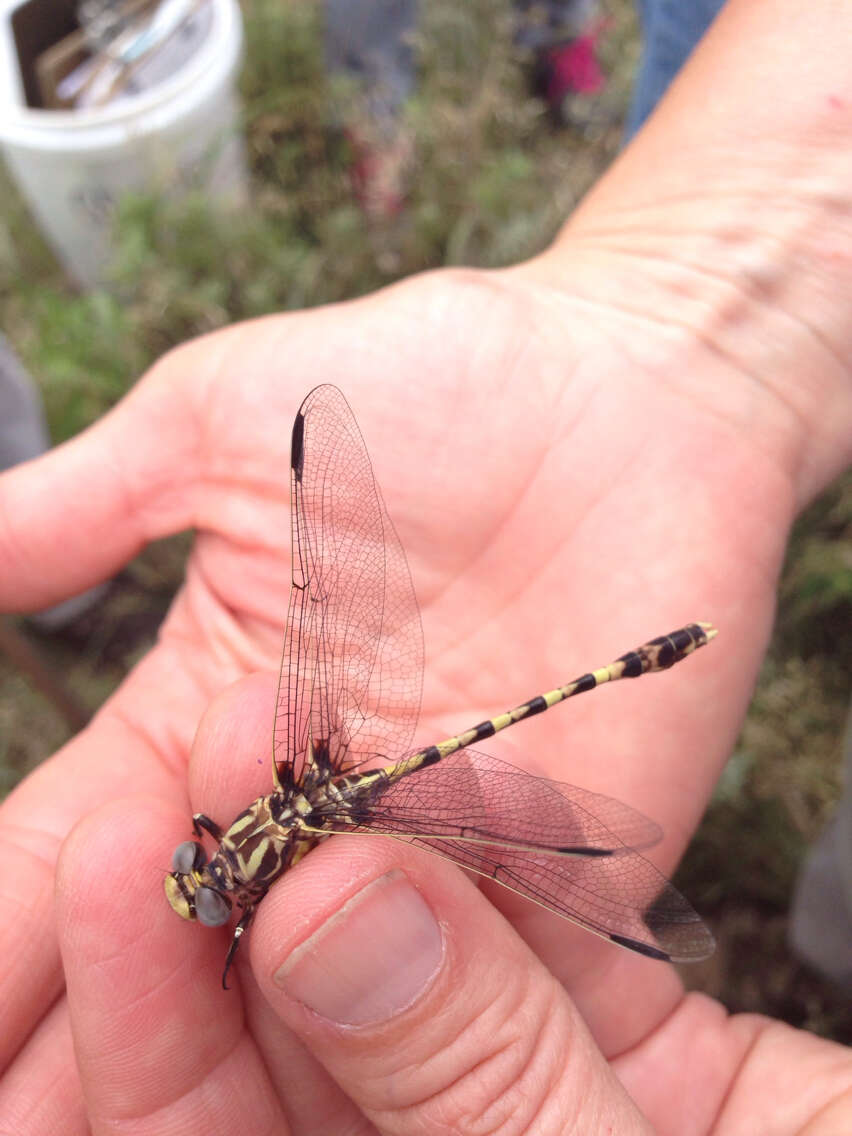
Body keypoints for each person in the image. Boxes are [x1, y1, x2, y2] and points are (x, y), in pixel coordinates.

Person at [1, 0, 851, 1132]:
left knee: (360, 920)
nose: (211, 882)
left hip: (357, 789)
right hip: (353, 783)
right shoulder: (276, 814)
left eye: (211, 881)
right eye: (210, 888)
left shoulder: (279, 843)